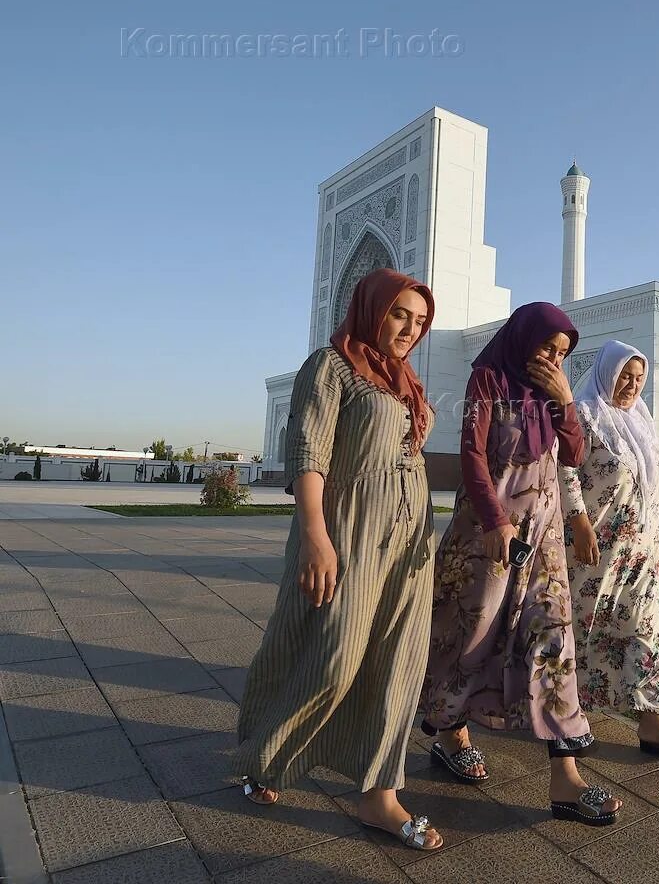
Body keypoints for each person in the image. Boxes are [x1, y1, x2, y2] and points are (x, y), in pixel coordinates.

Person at [234, 269, 443, 852]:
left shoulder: (404, 383)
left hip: (408, 543)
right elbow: (308, 453)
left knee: (398, 663)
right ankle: (264, 754)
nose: (409, 328)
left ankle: (379, 794)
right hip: (348, 535)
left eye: (420, 321)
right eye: (400, 313)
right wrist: (314, 536)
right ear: (373, 309)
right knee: (335, 657)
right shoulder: (331, 368)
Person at [421, 302, 622, 827]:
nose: (552, 359)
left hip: (543, 538)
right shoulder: (487, 379)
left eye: (562, 353)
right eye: (546, 348)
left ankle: (566, 779)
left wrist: (562, 400)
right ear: (522, 338)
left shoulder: (554, 393)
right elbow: (472, 456)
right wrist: (494, 523)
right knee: (469, 636)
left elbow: (574, 454)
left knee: (553, 641)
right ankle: (449, 731)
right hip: (488, 535)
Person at [560, 340, 659, 762]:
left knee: (650, 627)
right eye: (624, 377)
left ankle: (654, 722)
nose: (632, 386)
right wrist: (578, 520)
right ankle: (568, 712)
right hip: (597, 547)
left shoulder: (641, 419)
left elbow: (657, 470)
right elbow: (564, 468)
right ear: (606, 374)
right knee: (588, 623)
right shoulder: (583, 414)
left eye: (639, 379)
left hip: (645, 549)